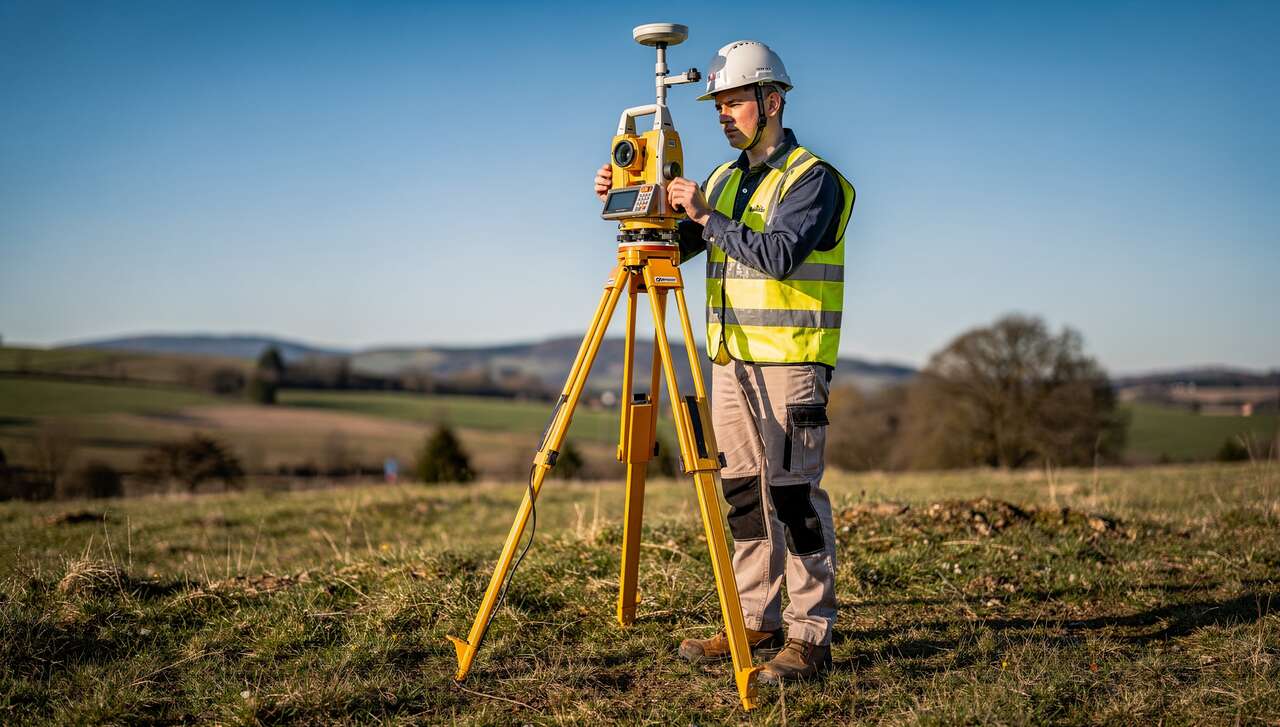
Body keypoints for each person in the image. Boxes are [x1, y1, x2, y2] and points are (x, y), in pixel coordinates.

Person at [594, 40, 855, 684]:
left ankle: (809, 635)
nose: (721, 113)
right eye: (717, 103)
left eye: (733, 101)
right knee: (742, 493)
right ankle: (755, 619)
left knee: (792, 496)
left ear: (771, 101)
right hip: (731, 362)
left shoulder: (813, 179)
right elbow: (675, 245)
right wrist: (629, 198)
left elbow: (779, 254)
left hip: (792, 362)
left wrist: (705, 214)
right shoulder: (720, 179)